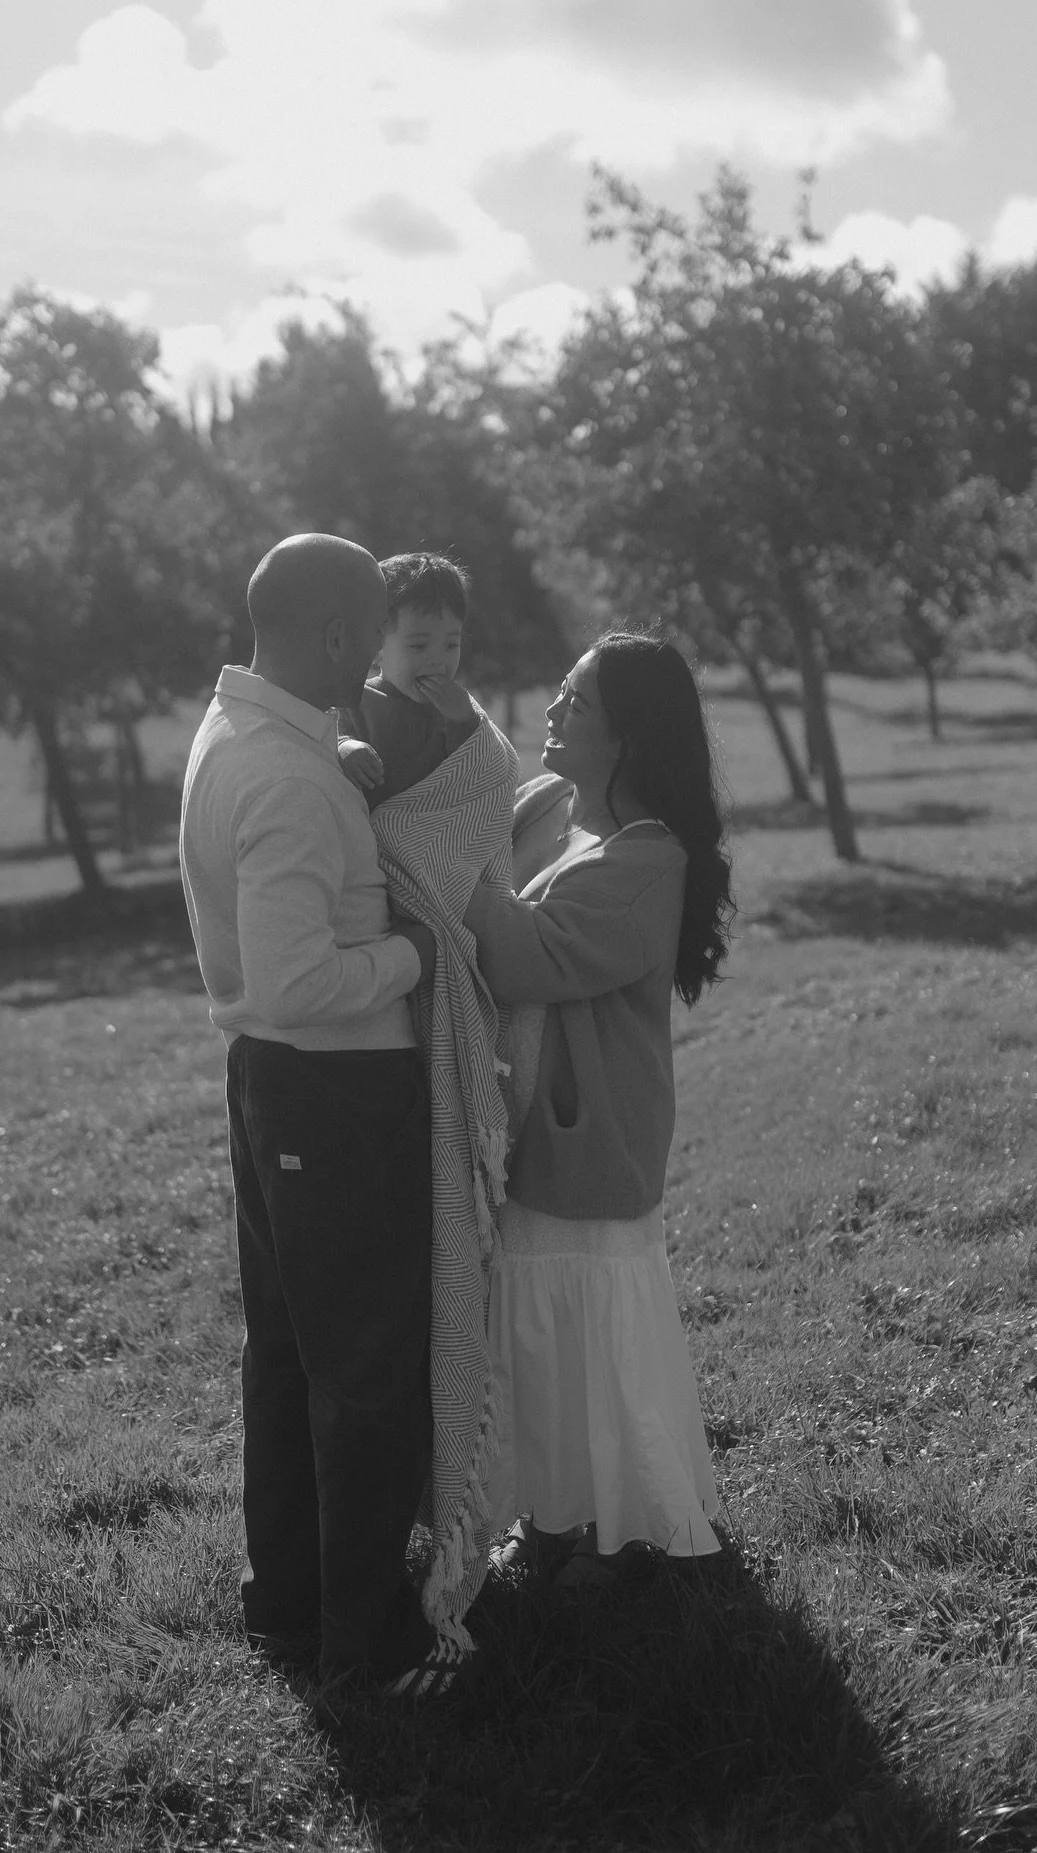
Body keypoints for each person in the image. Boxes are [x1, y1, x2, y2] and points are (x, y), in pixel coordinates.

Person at [179, 532, 448, 1691]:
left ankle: (287, 1607)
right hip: (332, 1088)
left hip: (271, 1082)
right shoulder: (288, 782)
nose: (379, 661)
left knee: (289, 1354)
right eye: (371, 638)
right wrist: (413, 953)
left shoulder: (240, 729)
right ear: (338, 637)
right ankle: (369, 1645)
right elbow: (298, 982)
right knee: (366, 1370)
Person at [462, 631, 734, 1576]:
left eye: (576, 702)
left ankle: (621, 1529)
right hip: (525, 1128)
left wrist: (445, 870)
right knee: (535, 1341)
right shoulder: (545, 806)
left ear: (625, 737)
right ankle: (549, 1516)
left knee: (588, 1342)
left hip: (590, 1137)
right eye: (562, 690)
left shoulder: (648, 859)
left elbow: (529, 954)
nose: (553, 711)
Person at [337, 552, 482, 806]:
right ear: (376, 645)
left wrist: (463, 720)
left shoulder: (456, 707)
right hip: (375, 826)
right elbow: (324, 743)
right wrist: (345, 748)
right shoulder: (355, 700)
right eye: (419, 646)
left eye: (451, 644)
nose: (438, 660)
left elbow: (476, 771)